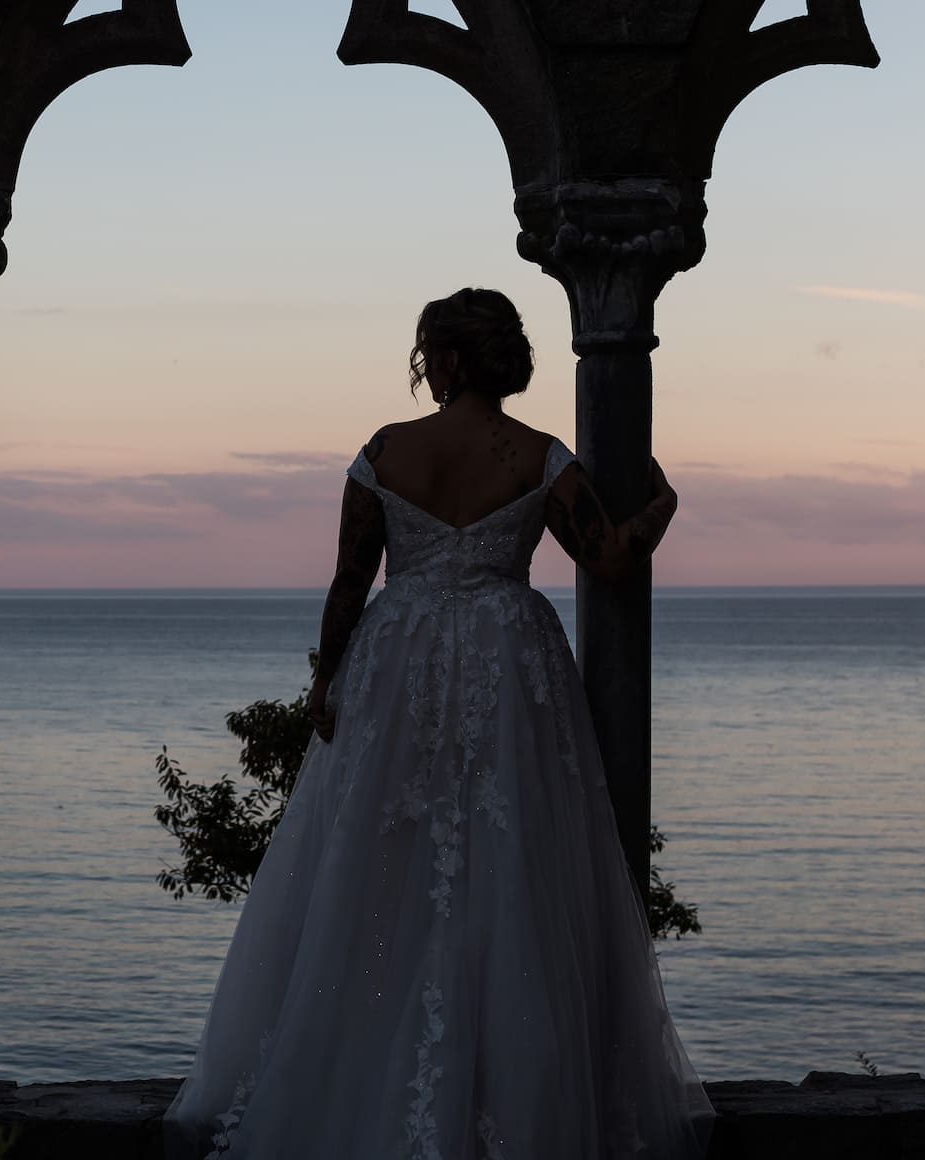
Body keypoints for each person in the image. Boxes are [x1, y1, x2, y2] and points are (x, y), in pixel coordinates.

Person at [163, 288, 715, 1158]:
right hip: (510, 659)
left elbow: (350, 584)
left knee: (380, 865)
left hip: (399, 659)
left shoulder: (386, 451)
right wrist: (662, 507)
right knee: (511, 868)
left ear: (447, 360)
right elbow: (609, 557)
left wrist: (328, 681)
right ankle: (500, 1086)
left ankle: (361, 1077)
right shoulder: (540, 456)